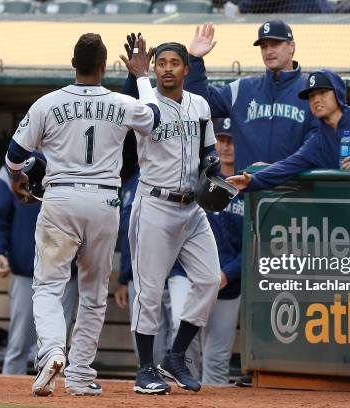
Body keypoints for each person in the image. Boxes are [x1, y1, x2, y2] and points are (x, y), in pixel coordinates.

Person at [4, 33, 159, 397]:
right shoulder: (121, 101)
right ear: (104, 67)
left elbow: (13, 156)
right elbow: (153, 118)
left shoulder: (47, 103)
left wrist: (26, 172)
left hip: (60, 199)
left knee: (48, 285)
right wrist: (140, 75)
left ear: (73, 64)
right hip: (105, 201)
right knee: (92, 292)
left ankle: (53, 351)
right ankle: (79, 375)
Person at [121, 38, 221, 395]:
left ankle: (176, 356)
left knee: (210, 280)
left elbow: (209, 148)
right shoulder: (142, 103)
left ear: (185, 69)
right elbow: (141, 110)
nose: (166, 68)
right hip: (156, 204)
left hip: (192, 208)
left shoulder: (200, 104)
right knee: (149, 292)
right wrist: (136, 75)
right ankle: (145, 369)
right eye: (160, 62)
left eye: (173, 62)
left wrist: (214, 168)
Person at [227, 69, 350, 191]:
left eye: (322, 93)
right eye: (311, 96)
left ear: (337, 92)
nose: (316, 100)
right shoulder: (317, 142)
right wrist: (254, 180)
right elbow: (288, 166)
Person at [0, 159, 80, 375]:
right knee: (18, 345)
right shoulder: (13, 167)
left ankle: (55, 397)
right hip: (26, 272)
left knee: (57, 348)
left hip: (65, 274)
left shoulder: (74, 162)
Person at [185, 20, 318, 172]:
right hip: (249, 191)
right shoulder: (242, 89)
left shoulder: (310, 89)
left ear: (291, 47)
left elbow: (315, 145)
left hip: (294, 189)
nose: (268, 51)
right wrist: (194, 60)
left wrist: (277, 170)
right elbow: (200, 103)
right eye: (264, 46)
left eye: (275, 44)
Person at [114, 167, 172, 368]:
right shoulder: (132, 182)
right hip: (144, 274)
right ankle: (151, 384)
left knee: (178, 347)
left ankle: (182, 394)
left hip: (175, 273)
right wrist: (124, 278)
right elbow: (128, 235)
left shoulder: (180, 175)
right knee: (149, 352)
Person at [201, 118, 244, 386]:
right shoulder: (201, 180)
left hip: (229, 285)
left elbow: (255, 244)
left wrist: (227, 274)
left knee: (216, 359)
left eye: (232, 141)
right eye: (221, 140)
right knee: (184, 352)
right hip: (196, 280)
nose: (226, 147)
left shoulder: (249, 185)